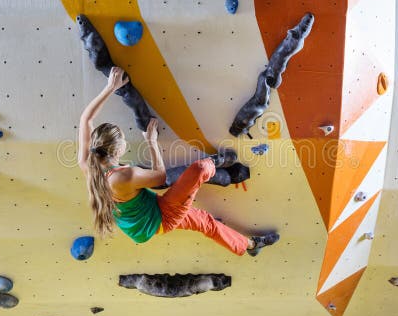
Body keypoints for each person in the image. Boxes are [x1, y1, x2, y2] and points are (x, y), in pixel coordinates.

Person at [77, 67, 279, 257]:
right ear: (116, 149)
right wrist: (151, 142)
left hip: (144, 221)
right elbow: (161, 176)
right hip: (162, 217)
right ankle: (215, 163)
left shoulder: (89, 164)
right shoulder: (122, 176)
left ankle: (251, 246)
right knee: (200, 169)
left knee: (205, 222)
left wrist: (111, 87)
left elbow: (86, 120)